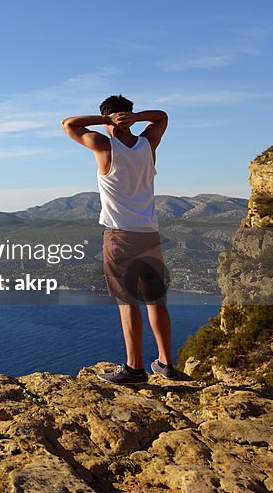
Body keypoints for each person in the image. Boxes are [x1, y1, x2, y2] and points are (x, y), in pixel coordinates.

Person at [61, 95, 184, 383]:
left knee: (127, 302)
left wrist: (106, 121)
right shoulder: (147, 145)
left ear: (109, 120)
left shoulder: (106, 146)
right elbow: (162, 117)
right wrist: (137, 117)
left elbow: (68, 124)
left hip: (120, 236)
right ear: (128, 117)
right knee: (156, 301)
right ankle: (165, 363)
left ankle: (134, 368)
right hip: (150, 234)